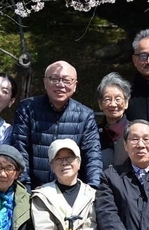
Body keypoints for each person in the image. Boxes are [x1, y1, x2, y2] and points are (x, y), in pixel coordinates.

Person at [11, 60, 103, 188]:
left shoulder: (85, 115)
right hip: (35, 189)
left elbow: (93, 156)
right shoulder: (27, 109)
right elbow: (20, 151)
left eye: (66, 80)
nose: (60, 84)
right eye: (54, 79)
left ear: (75, 85)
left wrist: (93, 189)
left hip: (72, 190)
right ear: (45, 83)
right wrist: (25, 190)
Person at [97, 72, 131, 168]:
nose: (113, 104)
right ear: (100, 104)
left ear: (126, 102)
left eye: (118, 99)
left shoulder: (135, 131)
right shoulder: (93, 133)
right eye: (107, 99)